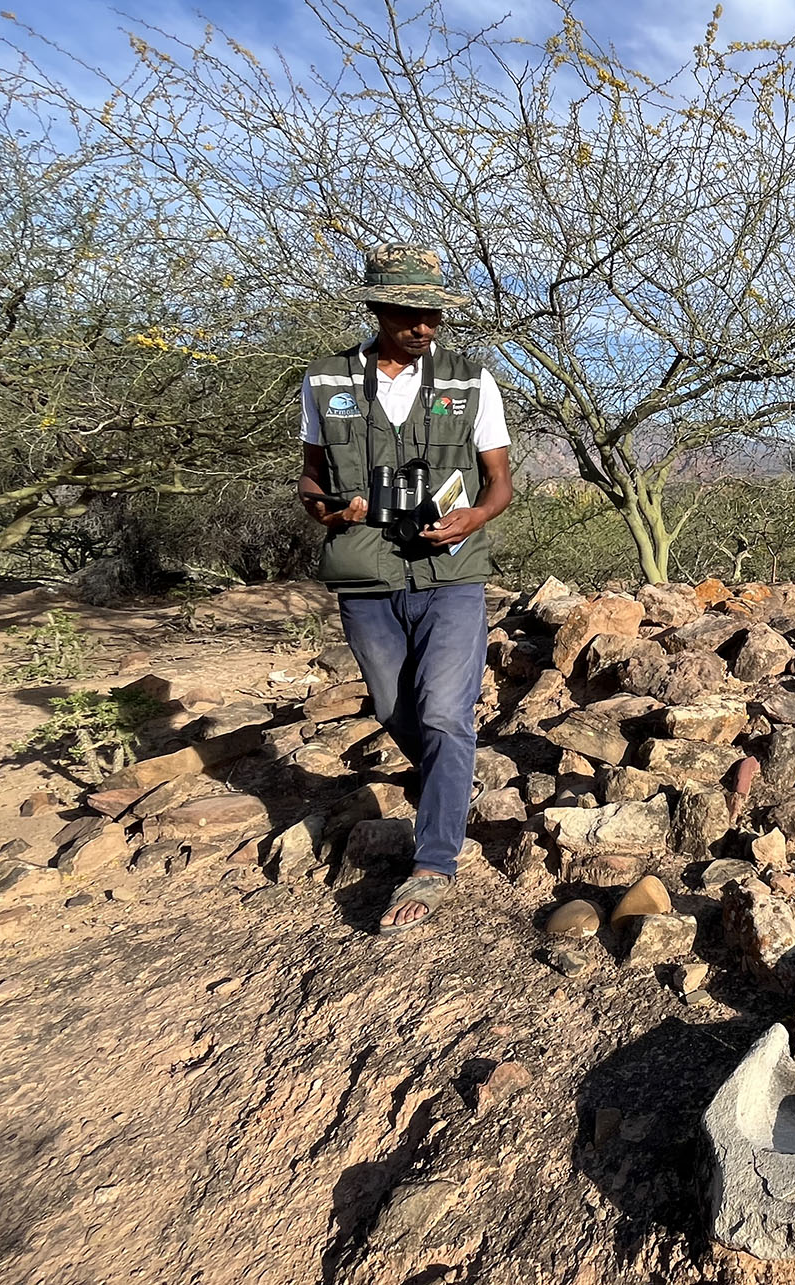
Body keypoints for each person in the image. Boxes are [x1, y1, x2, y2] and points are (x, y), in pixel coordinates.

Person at [297, 246, 514, 935]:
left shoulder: (471, 380)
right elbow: (309, 477)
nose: (424, 326)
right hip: (365, 577)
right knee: (395, 708)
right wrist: (327, 510)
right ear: (375, 309)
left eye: (433, 313)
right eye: (408, 313)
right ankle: (454, 779)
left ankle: (434, 862)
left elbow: (499, 481)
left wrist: (474, 516)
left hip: (451, 574)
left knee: (446, 713)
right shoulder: (326, 379)